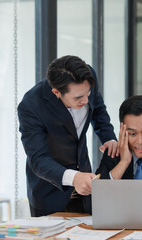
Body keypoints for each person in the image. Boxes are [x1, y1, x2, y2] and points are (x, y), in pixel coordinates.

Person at [18, 55, 119, 217]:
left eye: (88, 93)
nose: (86, 100)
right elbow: (38, 159)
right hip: (49, 192)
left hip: (86, 187)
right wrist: (74, 178)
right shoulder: (31, 106)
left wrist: (108, 137)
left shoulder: (87, 79)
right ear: (56, 92)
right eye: (79, 97)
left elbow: (98, 108)